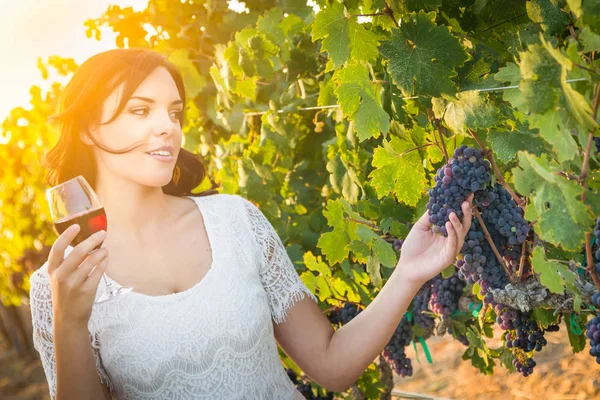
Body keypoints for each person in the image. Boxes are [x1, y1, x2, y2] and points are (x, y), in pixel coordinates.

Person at [28, 48, 473, 400]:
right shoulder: (58, 286)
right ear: (88, 128)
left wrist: (408, 272)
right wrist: (69, 324)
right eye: (141, 110)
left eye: (175, 112)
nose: (167, 126)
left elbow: (332, 365)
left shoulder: (236, 220)